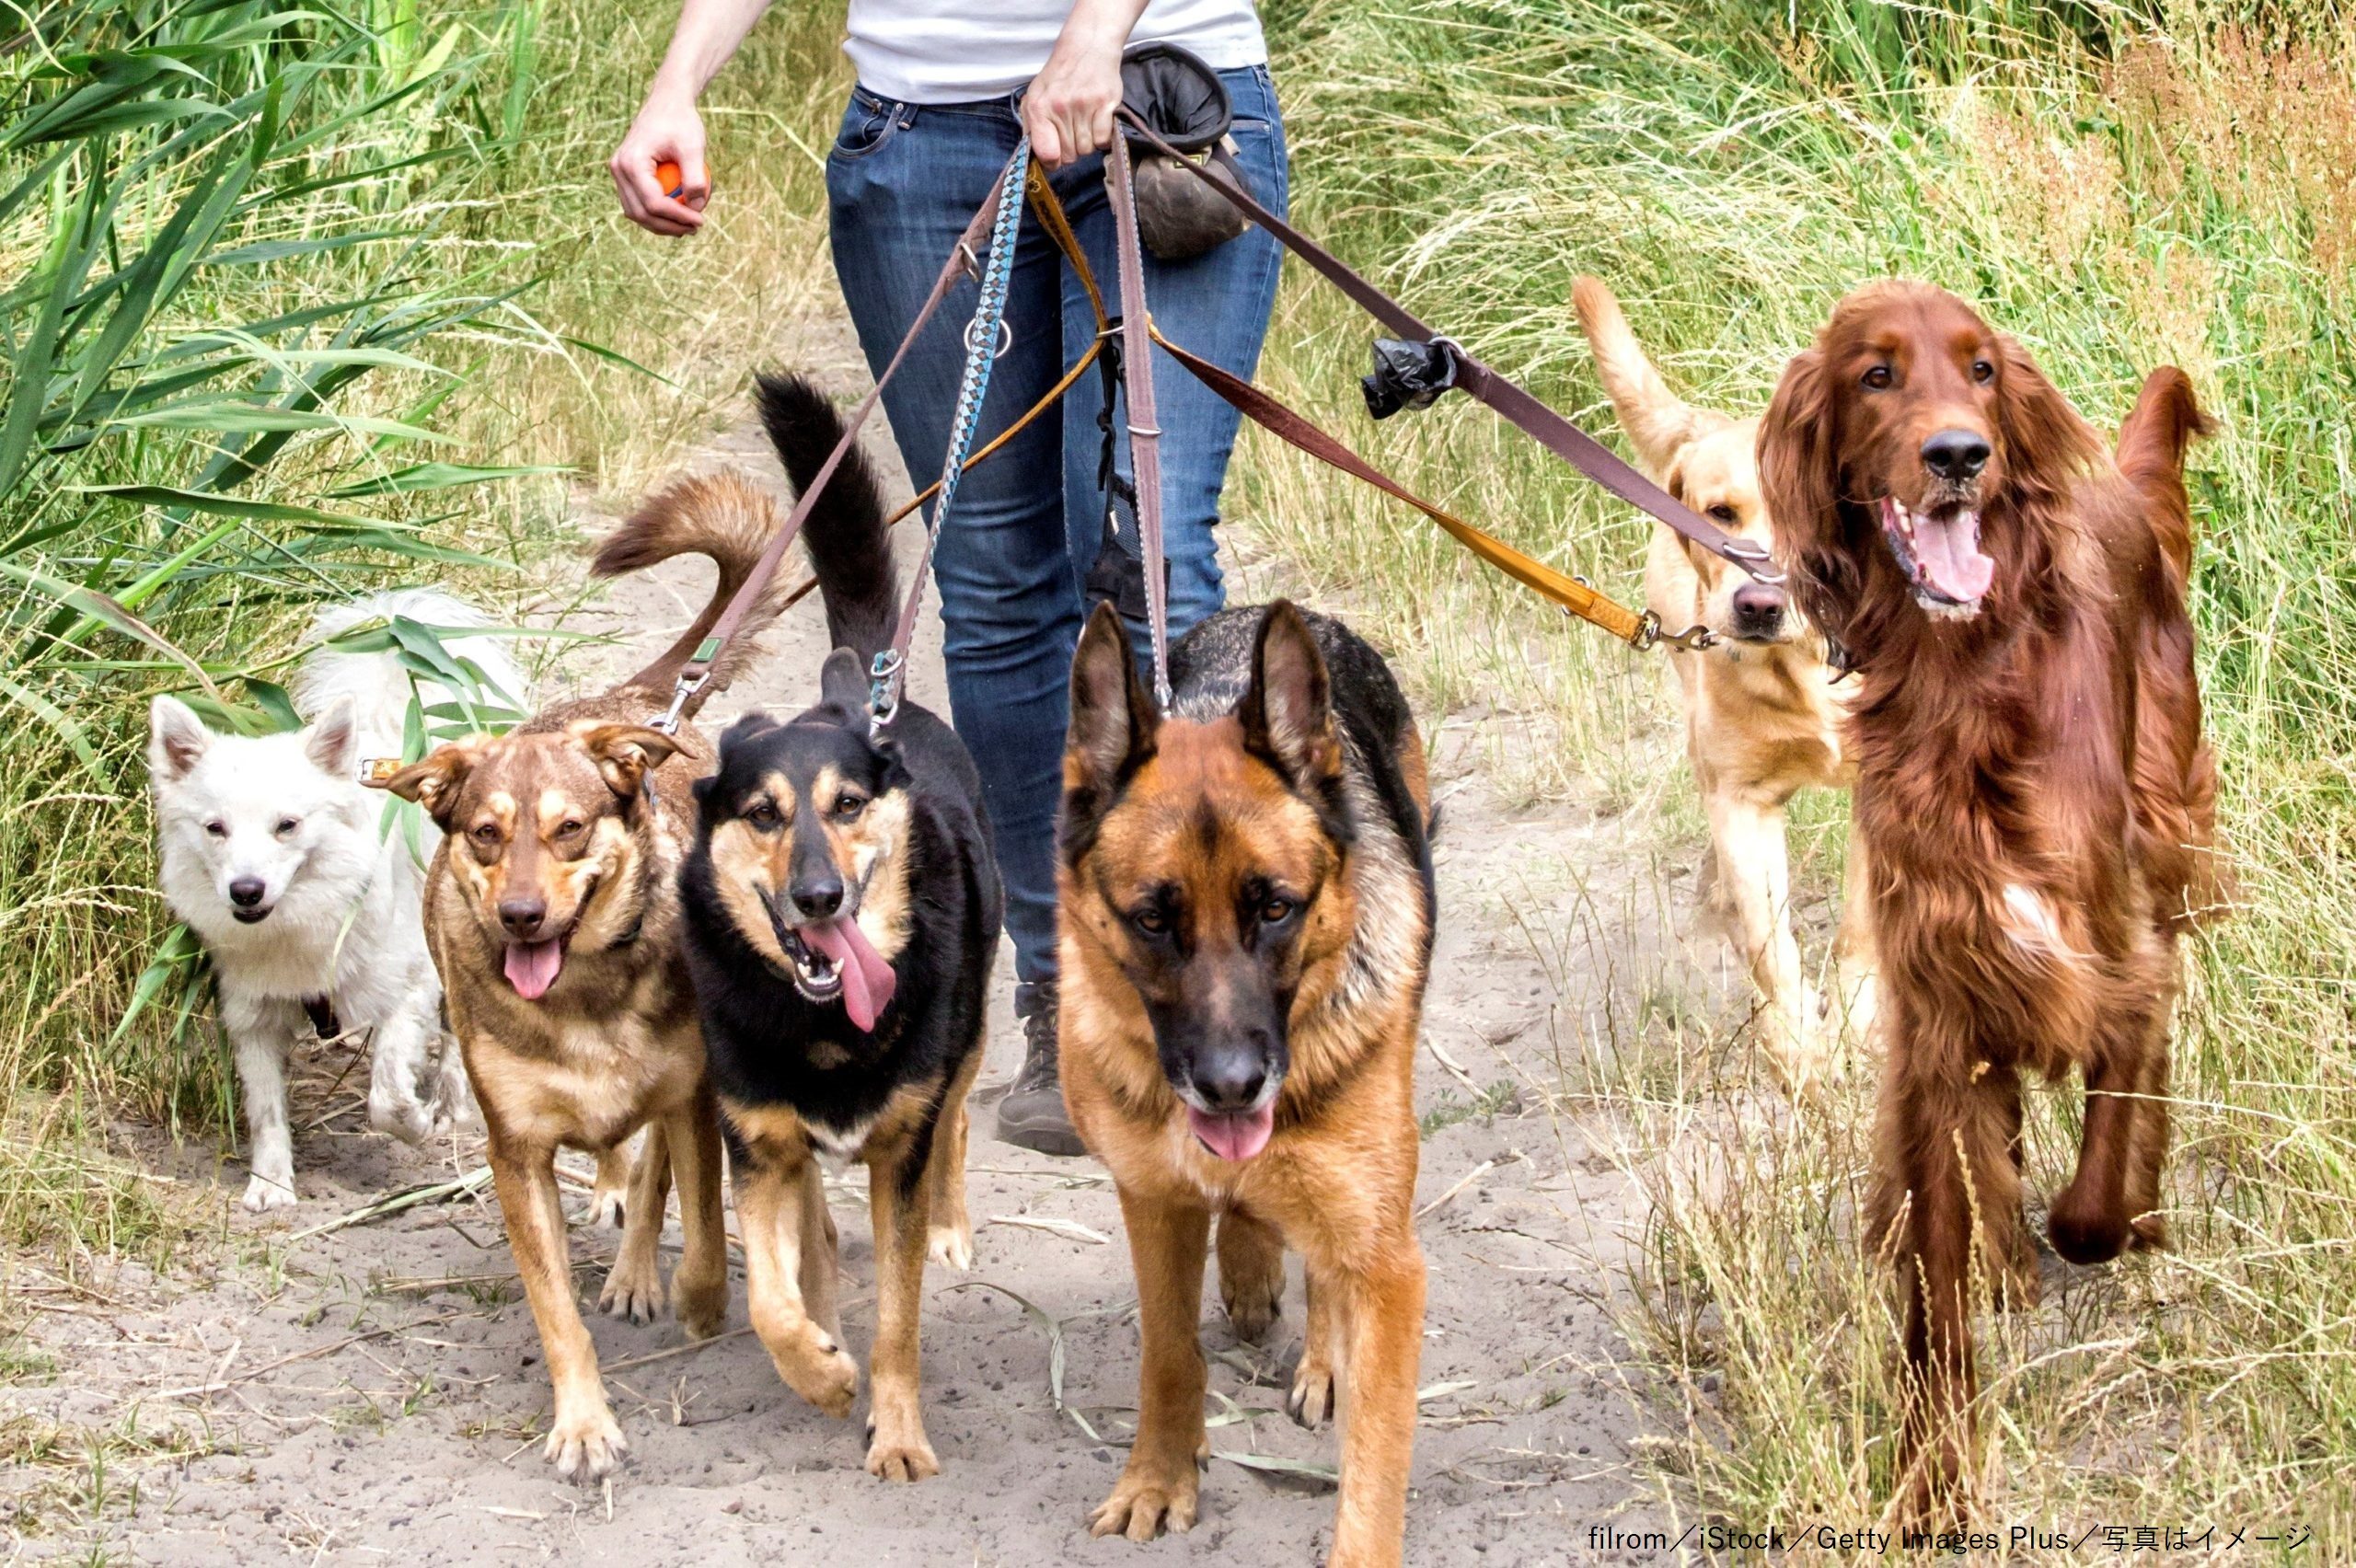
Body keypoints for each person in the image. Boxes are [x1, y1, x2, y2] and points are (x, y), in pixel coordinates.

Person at [614, 2, 1288, 1155]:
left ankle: (1211, 973)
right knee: (992, 585)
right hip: (918, 138)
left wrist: (1090, 39)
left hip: (1155, 100)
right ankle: (1063, 986)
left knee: (1153, 567)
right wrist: (678, 82)